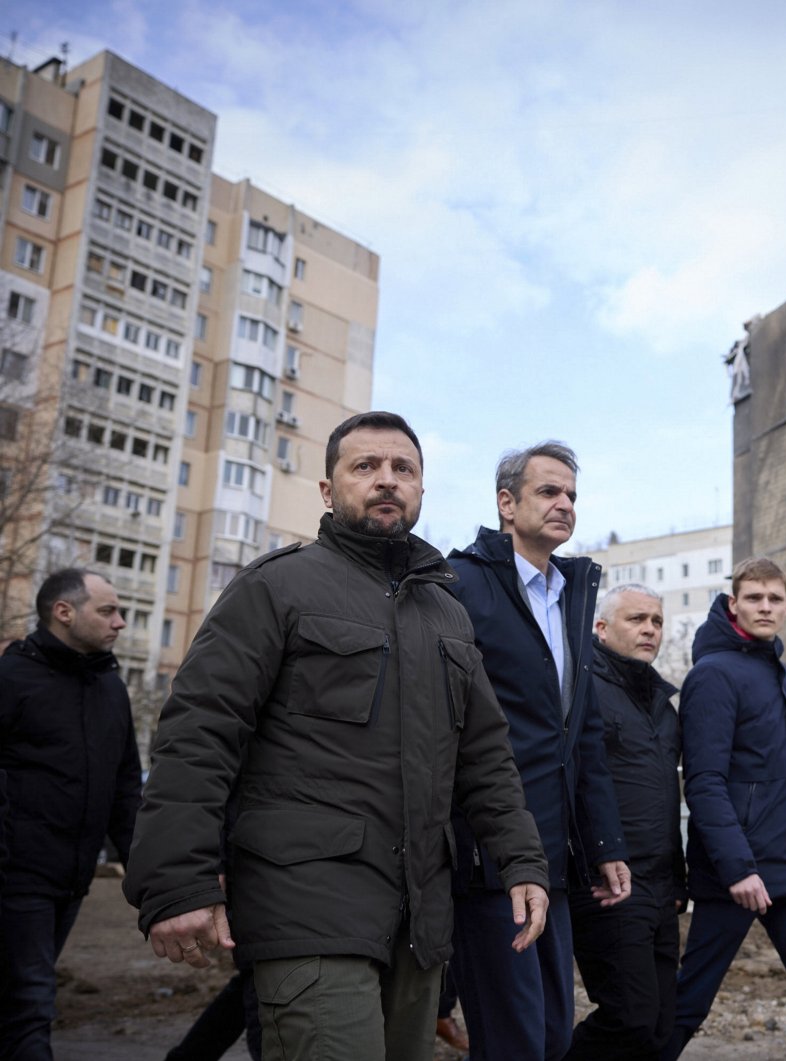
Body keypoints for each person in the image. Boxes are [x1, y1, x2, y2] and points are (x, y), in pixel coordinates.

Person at [124, 411, 548, 1061]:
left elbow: (485, 755)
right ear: (328, 490)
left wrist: (521, 859)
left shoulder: (448, 614)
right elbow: (199, 732)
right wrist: (177, 880)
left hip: (420, 919)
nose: (386, 480)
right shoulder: (278, 587)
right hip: (307, 906)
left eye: (402, 468)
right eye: (365, 466)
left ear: (422, 490)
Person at [446, 441, 630, 1060]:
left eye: (572, 495)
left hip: (553, 857)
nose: (564, 504)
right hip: (487, 858)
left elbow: (582, 739)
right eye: (549, 491)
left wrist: (603, 844)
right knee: (513, 1042)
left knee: (552, 1037)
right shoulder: (461, 585)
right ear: (507, 503)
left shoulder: (571, 595)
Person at [663, 558, 786, 1061]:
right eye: (754, 598)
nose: (765, 607)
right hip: (736, 877)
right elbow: (704, 783)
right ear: (734, 604)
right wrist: (738, 868)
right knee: (689, 1004)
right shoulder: (713, 675)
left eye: (774, 599)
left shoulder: (780, 673)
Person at [0, 569, 141, 1059]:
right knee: (31, 1002)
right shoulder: (12, 677)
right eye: (107, 611)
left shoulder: (110, 689)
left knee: (20, 1001)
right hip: (18, 876)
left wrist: (150, 878)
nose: (120, 623)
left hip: (72, 878)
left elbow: (126, 789)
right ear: (64, 612)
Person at [568, 584, 684, 1060]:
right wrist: (596, 857)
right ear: (601, 627)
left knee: (660, 1026)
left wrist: (677, 880)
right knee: (629, 1017)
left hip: (660, 886)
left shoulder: (661, 702)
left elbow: (665, 796)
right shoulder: (582, 688)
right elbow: (571, 782)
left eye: (656, 621)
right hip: (610, 882)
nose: (649, 630)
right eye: (637, 619)